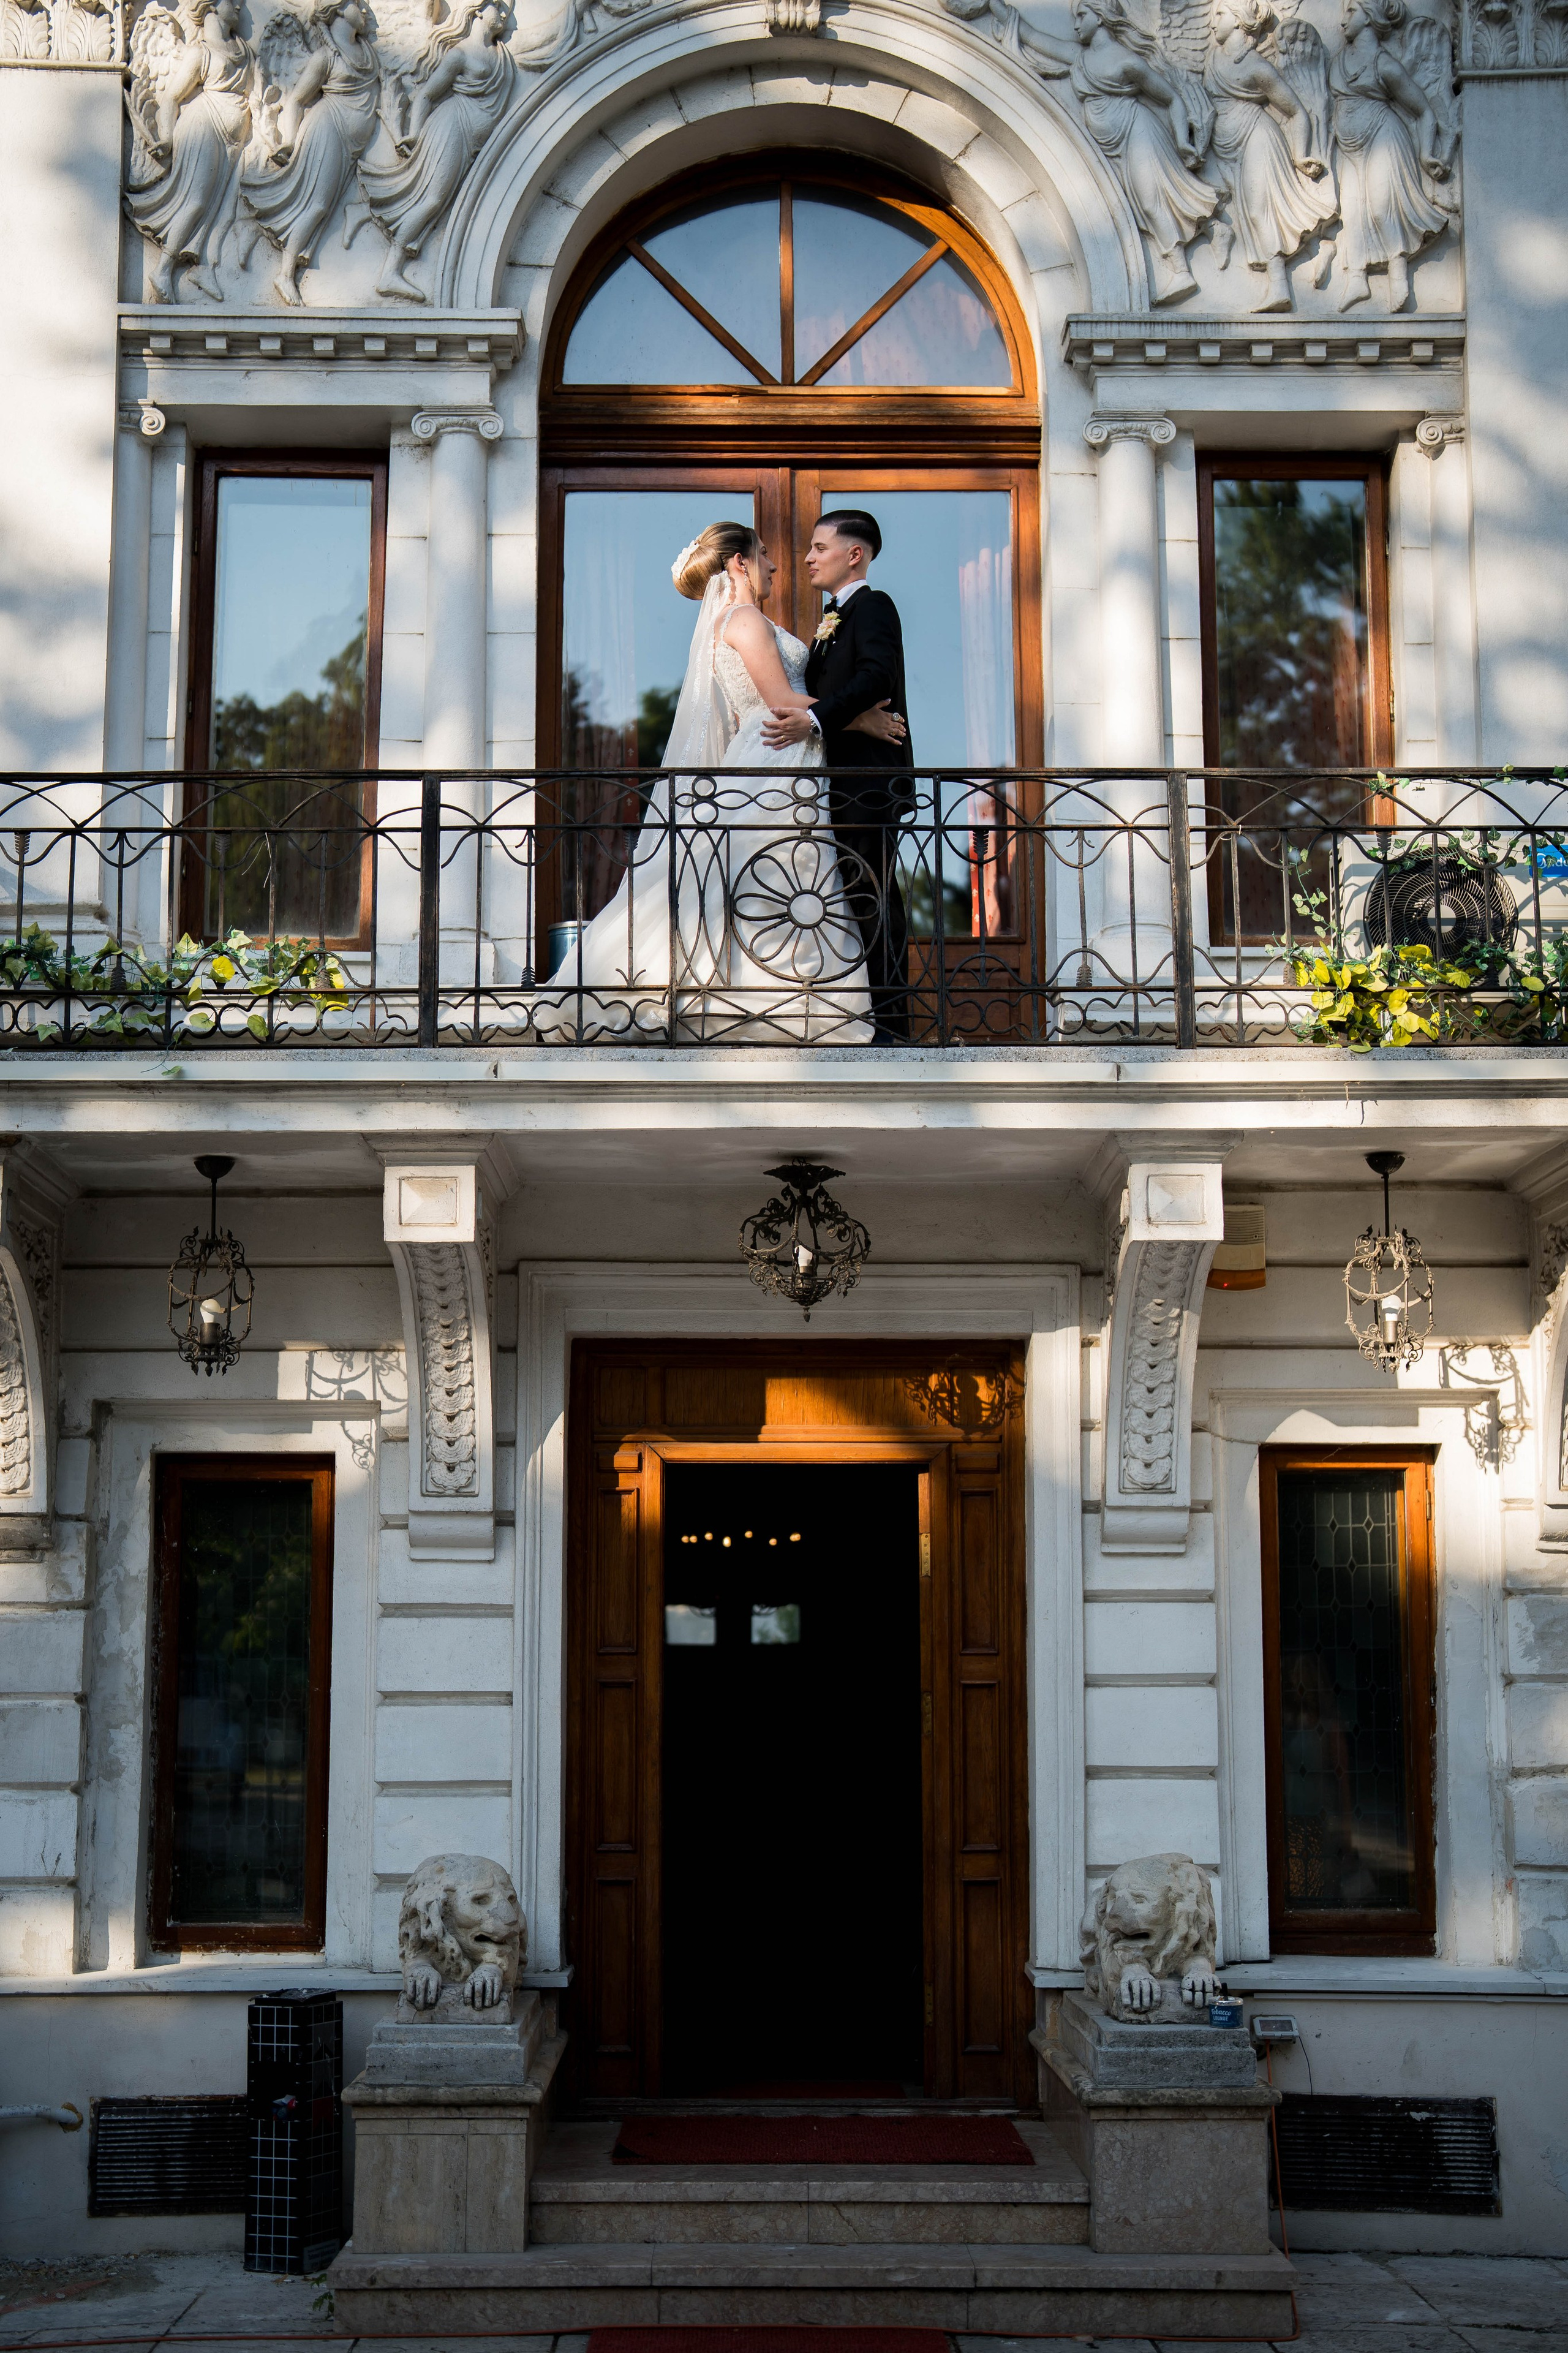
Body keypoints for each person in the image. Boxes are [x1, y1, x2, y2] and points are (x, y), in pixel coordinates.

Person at [533, 521, 905, 1044]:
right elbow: (779, 698)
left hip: (785, 750)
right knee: (779, 877)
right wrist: (860, 719)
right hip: (781, 749)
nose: (777, 564)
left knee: (780, 878)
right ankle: (778, 1000)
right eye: (766, 553)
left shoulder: (736, 621)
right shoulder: (746, 619)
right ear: (739, 563)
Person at [761, 510, 915, 1042]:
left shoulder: (874, 605)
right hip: (842, 777)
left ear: (856, 555)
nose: (807, 557)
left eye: (820, 547)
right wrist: (840, 714)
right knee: (853, 892)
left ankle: (894, 1026)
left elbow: (877, 674)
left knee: (871, 892)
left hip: (869, 780)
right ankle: (871, 1015)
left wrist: (818, 717)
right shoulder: (832, 619)